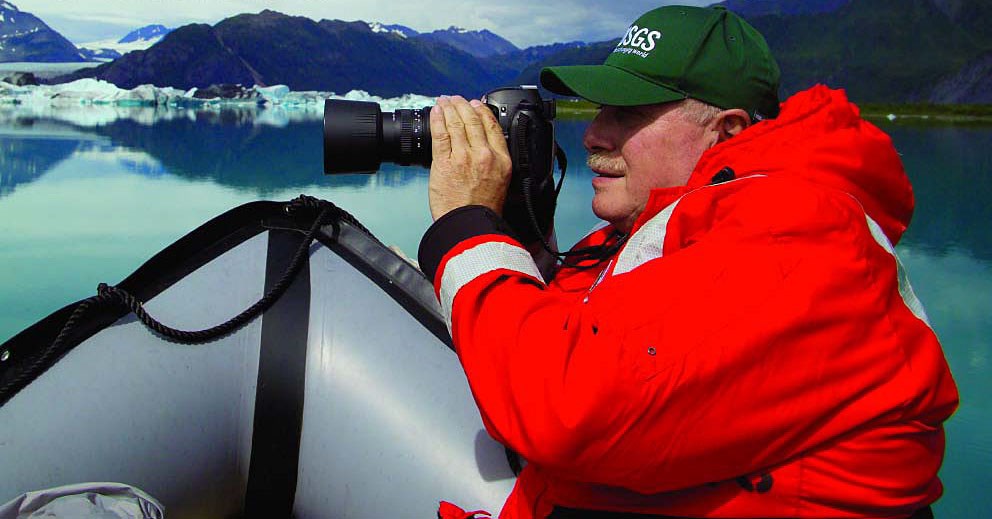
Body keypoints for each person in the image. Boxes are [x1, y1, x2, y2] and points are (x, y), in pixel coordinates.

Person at [418, 5, 959, 519]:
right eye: (601, 109)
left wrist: (465, 223)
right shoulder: (654, 231)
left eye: (627, 113)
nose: (593, 134)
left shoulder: (801, 237)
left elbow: (566, 409)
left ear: (727, 131)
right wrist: (520, 232)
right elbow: (573, 341)